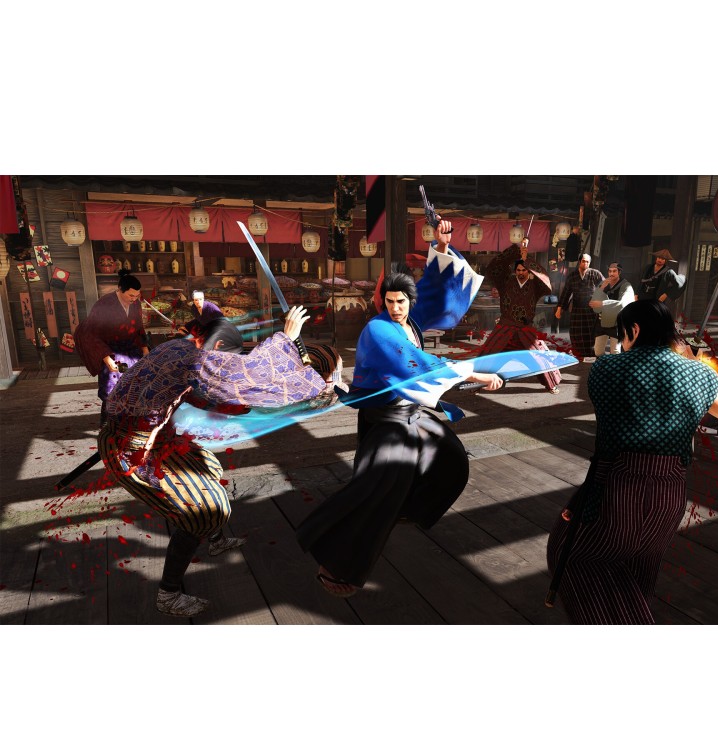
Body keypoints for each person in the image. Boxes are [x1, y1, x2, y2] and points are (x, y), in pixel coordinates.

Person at [296, 218, 503, 597]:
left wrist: (442, 247)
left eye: (401, 301)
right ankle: (336, 564)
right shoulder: (378, 330)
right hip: (386, 422)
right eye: (389, 301)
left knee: (450, 457)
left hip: (412, 415)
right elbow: (417, 365)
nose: (395, 307)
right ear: (381, 301)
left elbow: (438, 291)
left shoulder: (411, 320)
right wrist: (475, 373)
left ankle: (408, 507)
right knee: (375, 493)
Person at [100, 305, 339, 617]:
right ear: (219, 345)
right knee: (207, 509)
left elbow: (205, 395)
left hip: (155, 440)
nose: (225, 365)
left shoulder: (178, 349)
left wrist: (246, 406)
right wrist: (287, 339)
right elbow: (252, 373)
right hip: (132, 453)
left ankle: (213, 539)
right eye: (226, 358)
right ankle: (168, 594)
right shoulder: (193, 359)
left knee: (210, 468)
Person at [546, 300, 718, 624]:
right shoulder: (700, 375)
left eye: (622, 335)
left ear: (635, 330)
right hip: (670, 491)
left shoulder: (606, 367)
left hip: (616, 485)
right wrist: (694, 368)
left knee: (574, 556)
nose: (621, 342)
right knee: (640, 569)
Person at [476, 237, 561, 392]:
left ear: (529, 271)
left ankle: (551, 384)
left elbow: (546, 281)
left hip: (524, 328)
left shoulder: (535, 286)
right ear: (515, 271)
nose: (521, 272)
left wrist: (526, 258)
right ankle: (475, 384)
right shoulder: (505, 283)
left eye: (524, 270)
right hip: (506, 326)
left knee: (539, 357)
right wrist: (515, 252)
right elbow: (493, 269)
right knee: (489, 354)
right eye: (518, 270)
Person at [74, 268, 149, 425]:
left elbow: (138, 326)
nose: (134, 299)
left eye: (137, 296)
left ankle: (132, 424)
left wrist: (144, 348)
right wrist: (106, 358)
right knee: (112, 389)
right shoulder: (104, 304)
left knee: (136, 387)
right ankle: (108, 426)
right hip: (111, 351)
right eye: (131, 295)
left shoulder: (136, 304)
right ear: (120, 290)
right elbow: (91, 333)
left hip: (131, 351)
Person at [555, 253, 605, 360]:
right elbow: (566, 293)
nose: (585, 263)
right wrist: (560, 309)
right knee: (576, 334)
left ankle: (592, 356)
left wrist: (602, 304)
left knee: (592, 333)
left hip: (592, 310)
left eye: (587, 262)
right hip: (577, 310)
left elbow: (605, 288)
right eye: (583, 261)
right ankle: (579, 356)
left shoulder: (595, 274)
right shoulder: (572, 276)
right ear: (579, 262)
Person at [589, 262, 634, 356]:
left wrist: (603, 304)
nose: (611, 274)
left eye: (614, 271)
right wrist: (601, 288)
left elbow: (623, 303)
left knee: (615, 351)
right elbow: (594, 302)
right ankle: (601, 365)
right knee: (598, 351)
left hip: (617, 322)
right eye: (610, 271)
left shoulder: (626, 286)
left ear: (619, 272)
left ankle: (614, 366)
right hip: (602, 321)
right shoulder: (604, 283)